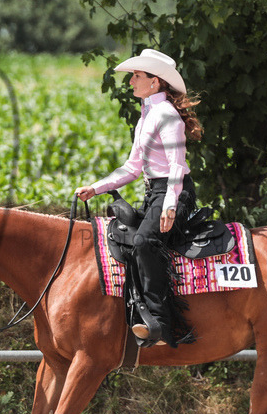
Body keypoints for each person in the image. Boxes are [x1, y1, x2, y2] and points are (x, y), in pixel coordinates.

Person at [75, 49, 203, 346]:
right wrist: (97, 187)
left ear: (154, 82)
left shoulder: (167, 115)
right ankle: (135, 313)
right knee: (128, 238)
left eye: (137, 76)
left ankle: (161, 324)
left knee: (146, 242)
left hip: (175, 191)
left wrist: (170, 205)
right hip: (155, 192)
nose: (131, 81)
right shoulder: (146, 115)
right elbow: (133, 168)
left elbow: (176, 166)